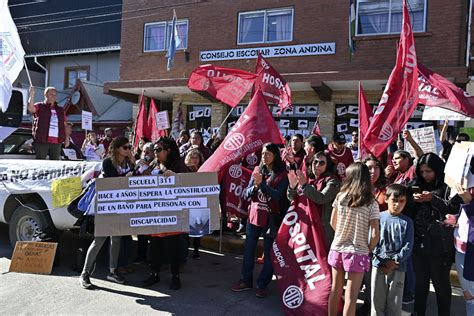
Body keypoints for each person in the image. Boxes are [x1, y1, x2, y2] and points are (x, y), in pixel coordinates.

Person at [232, 143, 289, 298]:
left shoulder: (282, 174)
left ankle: (262, 284)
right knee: (249, 250)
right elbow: (246, 194)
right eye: (263, 153)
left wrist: (262, 185)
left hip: (272, 219)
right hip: (254, 217)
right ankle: (245, 280)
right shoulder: (257, 170)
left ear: (275, 155)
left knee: (269, 254)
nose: (264, 156)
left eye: (268, 154)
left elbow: (278, 195)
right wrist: (255, 188)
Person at [410, 153, 462, 316]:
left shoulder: (449, 187)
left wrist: (432, 198)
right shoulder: (416, 183)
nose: (425, 175)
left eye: (429, 171)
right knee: (420, 285)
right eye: (422, 171)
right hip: (418, 243)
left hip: (440, 246)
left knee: (441, 286)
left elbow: (454, 209)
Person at [79, 137, 135, 289]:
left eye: (129, 147)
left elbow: (134, 179)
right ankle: (85, 273)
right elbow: (112, 183)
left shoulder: (127, 162)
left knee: (116, 239)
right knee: (100, 239)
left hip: (120, 206)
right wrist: (126, 176)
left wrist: (133, 162)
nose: (128, 150)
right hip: (105, 206)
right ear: (117, 149)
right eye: (125, 147)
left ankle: (112, 271)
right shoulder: (107, 162)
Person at [327, 162, 380, 316]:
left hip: (337, 248)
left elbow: (332, 222)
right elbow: (375, 234)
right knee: (351, 296)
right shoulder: (371, 202)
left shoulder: (340, 196)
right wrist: (367, 248)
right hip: (358, 251)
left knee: (335, 290)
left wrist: (342, 234)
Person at [144, 137, 188, 290]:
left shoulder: (178, 165)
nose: (154, 153)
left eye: (158, 150)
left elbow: (188, 184)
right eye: (154, 150)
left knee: (172, 248)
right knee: (154, 247)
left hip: (172, 214)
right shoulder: (153, 164)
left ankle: (175, 277)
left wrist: (175, 177)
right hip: (155, 213)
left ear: (168, 151)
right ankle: (154, 274)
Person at [371, 184, 414, 316]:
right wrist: (384, 261)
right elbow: (373, 240)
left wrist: (394, 261)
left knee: (395, 302)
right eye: (394, 200)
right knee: (376, 301)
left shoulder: (407, 222)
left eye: (402, 201)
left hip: (398, 267)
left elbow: (408, 246)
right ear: (386, 199)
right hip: (379, 266)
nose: (397, 204)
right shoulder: (378, 218)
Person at [287, 151, 340, 247]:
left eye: (321, 163)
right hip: (308, 228)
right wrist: (292, 187)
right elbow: (292, 198)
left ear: (328, 165)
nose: (317, 165)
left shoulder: (333, 181)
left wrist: (304, 185)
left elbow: (321, 198)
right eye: (314, 162)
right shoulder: (308, 180)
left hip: (324, 230)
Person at [27, 86, 67, 160]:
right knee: (40, 161)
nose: (53, 96)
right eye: (51, 94)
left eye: (55, 95)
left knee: (55, 163)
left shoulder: (60, 109)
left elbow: (64, 124)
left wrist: (67, 138)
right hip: (42, 140)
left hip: (57, 141)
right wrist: (32, 95)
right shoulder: (40, 106)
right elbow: (31, 109)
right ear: (45, 95)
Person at [184, 147, 205, 259]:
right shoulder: (184, 169)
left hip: (199, 202)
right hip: (187, 202)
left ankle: (196, 250)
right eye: (192, 157)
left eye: (196, 157)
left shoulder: (204, 169)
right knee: (186, 229)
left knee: (198, 228)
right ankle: (186, 250)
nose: (195, 159)